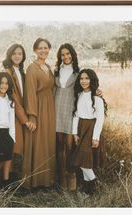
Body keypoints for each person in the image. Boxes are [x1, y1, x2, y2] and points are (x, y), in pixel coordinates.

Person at [22, 38, 56, 189]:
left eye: (46, 48)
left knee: (47, 142)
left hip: (50, 108)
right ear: (35, 50)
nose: (43, 50)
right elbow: (30, 93)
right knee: (37, 143)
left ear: (49, 49)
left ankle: (46, 179)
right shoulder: (32, 68)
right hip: (37, 108)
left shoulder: (49, 67)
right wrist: (32, 116)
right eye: (40, 48)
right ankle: (34, 181)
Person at [71, 69, 107, 195]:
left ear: (91, 80)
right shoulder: (79, 95)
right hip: (81, 128)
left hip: (91, 128)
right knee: (84, 161)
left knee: (82, 159)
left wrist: (96, 137)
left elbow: (100, 118)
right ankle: (89, 190)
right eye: (81, 78)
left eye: (87, 78)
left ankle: (95, 182)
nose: (84, 81)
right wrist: (75, 133)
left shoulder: (97, 98)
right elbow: (75, 115)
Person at [2, 44, 34, 182]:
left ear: (23, 56)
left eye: (20, 53)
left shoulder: (21, 72)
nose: (17, 56)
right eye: (14, 53)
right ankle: (7, 181)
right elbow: (13, 97)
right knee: (13, 148)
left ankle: (15, 179)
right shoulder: (8, 72)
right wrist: (24, 119)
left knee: (18, 148)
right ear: (9, 55)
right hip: (12, 115)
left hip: (21, 113)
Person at [54, 43, 79, 191]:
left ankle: (72, 174)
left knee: (70, 146)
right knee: (59, 145)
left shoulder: (78, 72)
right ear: (59, 57)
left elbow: (88, 86)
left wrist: (98, 91)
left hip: (71, 111)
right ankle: (61, 176)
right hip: (57, 111)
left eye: (68, 54)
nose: (66, 57)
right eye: (62, 54)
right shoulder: (56, 71)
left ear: (73, 55)